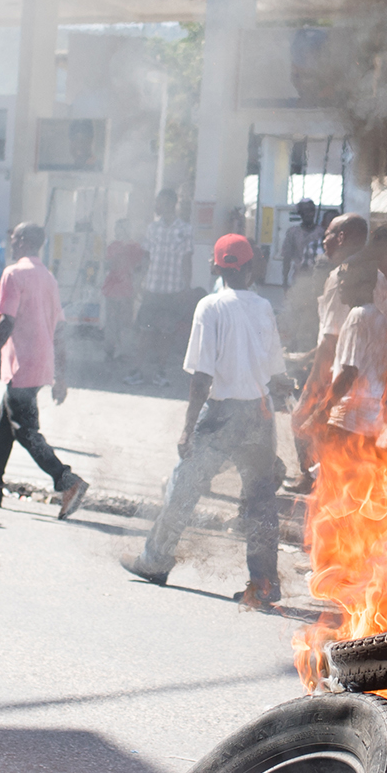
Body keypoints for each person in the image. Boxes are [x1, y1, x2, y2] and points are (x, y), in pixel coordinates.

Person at [121, 234, 290, 609]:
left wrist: (187, 427)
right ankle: (263, 584)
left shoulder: (209, 306)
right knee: (261, 501)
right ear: (250, 268)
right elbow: (276, 374)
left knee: (184, 487)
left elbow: (201, 376)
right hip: (259, 414)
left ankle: (155, 561)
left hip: (221, 414)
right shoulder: (263, 307)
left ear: (216, 267)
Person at [0, 222, 88, 516]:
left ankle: (66, 479)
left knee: (26, 431)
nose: (12, 242)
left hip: (22, 366)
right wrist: (61, 376)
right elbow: (60, 330)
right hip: (41, 364)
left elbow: (6, 324)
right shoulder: (48, 278)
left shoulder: (14, 274)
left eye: (14, 238)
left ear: (21, 241)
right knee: (4, 427)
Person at [291, 213, 387, 491]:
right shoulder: (379, 278)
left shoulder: (341, 278)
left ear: (341, 238)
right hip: (370, 398)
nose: (324, 241)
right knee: (353, 479)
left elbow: (334, 343)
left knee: (302, 422)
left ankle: (308, 478)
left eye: (328, 235)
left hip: (344, 396)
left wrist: (313, 395)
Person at [322, 253, 387, 457]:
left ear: (364, 283)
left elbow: (349, 373)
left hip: (348, 419)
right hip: (369, 419)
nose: (340, 284)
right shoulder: (378, 316)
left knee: (334, 480)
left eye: (345, 278)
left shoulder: (357, 316)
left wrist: (322, 411)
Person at [137, 188, 193, 386]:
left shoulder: (185, 229)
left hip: (173, 289)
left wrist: (186, 288)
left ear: (170, 203)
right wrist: (140, 283)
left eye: (160, 201)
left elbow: (187, 259)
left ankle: (161, 372)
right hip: (152, 288)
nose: (157, 205)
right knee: (145, 330)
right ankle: (139, 370)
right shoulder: (152, 228)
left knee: (166, 332)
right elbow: (146, 257)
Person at [102, 219, 146, 366]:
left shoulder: (134, 247)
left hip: (125, 288)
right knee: (115, 322)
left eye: (120, 228)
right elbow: (107, 264)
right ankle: (112, 351)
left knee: (123, 322)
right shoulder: (114, 246)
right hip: (114, 288)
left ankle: (122, 352)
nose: (117, 231)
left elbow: (140, 268)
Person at [278, 199, 318, 287]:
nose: (309, 214)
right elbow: (287, 258)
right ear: (300, 213)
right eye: (305, 211)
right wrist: (285, 280)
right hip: (298, 278)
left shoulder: (322, 232)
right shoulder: (293, 232)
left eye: (311, 210)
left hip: (318, 279)